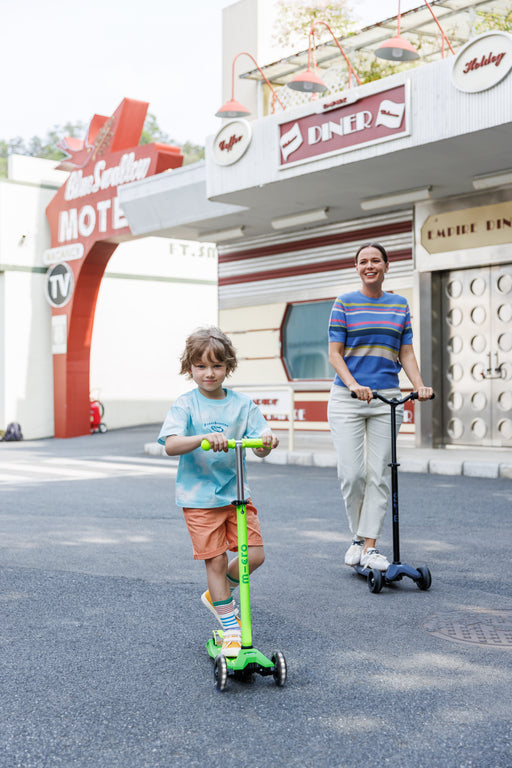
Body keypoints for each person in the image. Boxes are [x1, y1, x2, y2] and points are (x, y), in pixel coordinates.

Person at [158, 326, 278, 658]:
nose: (209, 373)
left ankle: (218, 595)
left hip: (236, 495)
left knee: (254, 556)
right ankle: (230, 627)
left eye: (216, 366)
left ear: (228, 367)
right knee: (216, 560)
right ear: (190, 368)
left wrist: (266, 442)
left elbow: (261, 443)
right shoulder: (186, 405)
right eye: (200, 366)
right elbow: (170, 445)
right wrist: (202, 438)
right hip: (199, 499)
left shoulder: (242, 404)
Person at [327, 243, 433, 571]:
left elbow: (406, 352)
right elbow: (335, 354)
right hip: (348, 397)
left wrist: (419, 386)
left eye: (376, 260)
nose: (369, 266)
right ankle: (357, 538)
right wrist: (353, 384)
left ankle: (370, 546)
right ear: (356, 268)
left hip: (386, 397)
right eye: (363, 261)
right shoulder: (344, 303)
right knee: (352, 474)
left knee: (379, 473)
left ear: (387, 265)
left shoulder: (399, 305)